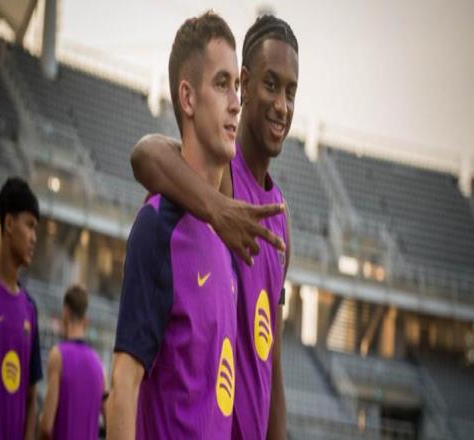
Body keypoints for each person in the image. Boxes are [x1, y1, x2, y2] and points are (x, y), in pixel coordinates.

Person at [130, 14, 299, 439]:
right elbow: (145, 155)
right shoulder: (219, 173)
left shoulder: (281, 218)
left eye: (291, 92)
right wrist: (218, 209)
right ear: (245, 84)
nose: (282, 105)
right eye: (271, 85)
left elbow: (272, 364)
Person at [107, 11, 240, 439]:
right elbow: (123, 387)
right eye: (222, 84)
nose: (236, 102)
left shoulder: (225, 239)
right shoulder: (157, 227)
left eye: (237, 86)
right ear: (187, 98)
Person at [0, 177, 42, 439]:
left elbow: (32, 396)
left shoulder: (30, 309)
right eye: (30, 225)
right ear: (9, 223)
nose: (34, 238)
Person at [38, 285, 105, 440]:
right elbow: (107, 415)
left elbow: (46, 427)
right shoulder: (98, 364)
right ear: (86, 321)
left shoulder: (58, 355)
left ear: (65, 313)